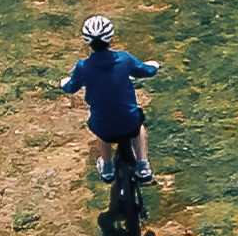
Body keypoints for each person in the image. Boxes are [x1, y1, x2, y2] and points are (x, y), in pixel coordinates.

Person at [58, 15, 161, 183]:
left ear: (86, 41)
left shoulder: (83, 67)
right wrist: (155, 66)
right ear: (111, 39)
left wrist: (63, 84)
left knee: (101, 130)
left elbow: (71, 87)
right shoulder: (124, 59)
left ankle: (107, 166)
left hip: (103, 126)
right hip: (129, 122)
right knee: (138, 128)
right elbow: (145, 70)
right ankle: (143, 166)